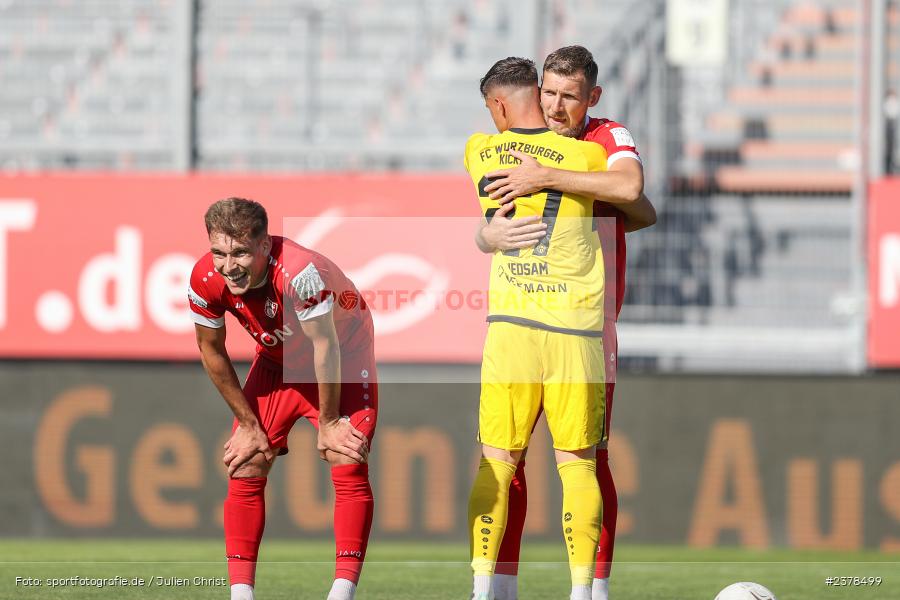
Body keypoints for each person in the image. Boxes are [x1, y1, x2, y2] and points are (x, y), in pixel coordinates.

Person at [478, 46, 657, 600]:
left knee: (586, 458)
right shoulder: (519, 144)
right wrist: (485, 235)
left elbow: (632, 192)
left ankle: (593, 588)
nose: (556, 107)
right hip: (526, 316)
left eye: (569, 96)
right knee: (508, 457)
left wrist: (546, 177)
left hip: (587, 324)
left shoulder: (606, 137)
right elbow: (490, 225)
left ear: (592, 98)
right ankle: (500, 585)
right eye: (548, 94)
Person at [464, 57, 610, 600]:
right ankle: (580, 593)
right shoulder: (589, 155)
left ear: (499, 104)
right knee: (577, 467)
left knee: (497, 463)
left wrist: (485, 237)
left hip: (511, 326)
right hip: (575, 329)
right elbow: (631, 195)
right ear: (539, 93)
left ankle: (482, 590)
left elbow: (489, 223)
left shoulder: (479, 148)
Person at [188, 198, 376, 600]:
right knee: (246, 458)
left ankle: (341, 593)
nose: (228, 265)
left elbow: (325, 346)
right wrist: (250, 426)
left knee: (346, 453)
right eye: (219, 252)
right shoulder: (204, 277)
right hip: (278, 362)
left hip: (343, 354)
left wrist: (328, 424)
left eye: (240, 252)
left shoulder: (301, 273)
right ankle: (241, 596)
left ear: (264, 246)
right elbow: (211, 351)